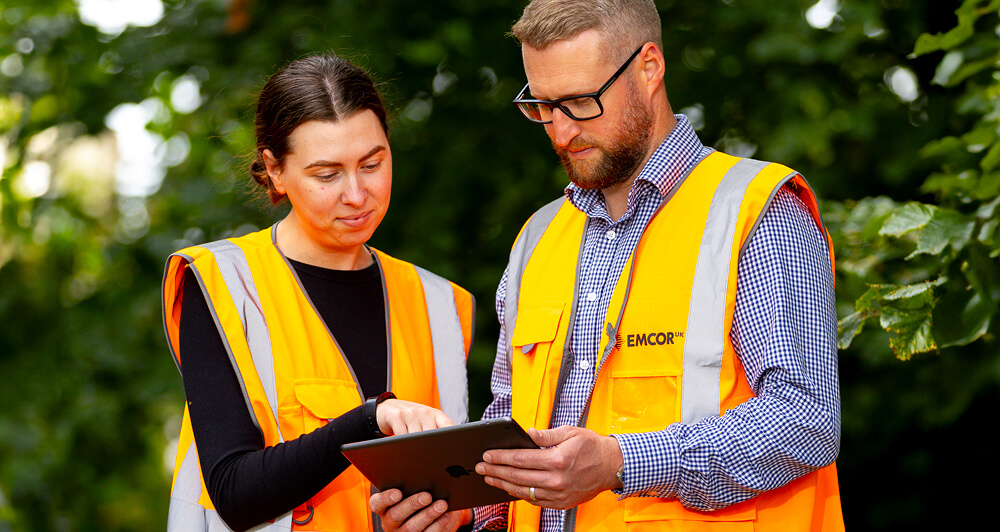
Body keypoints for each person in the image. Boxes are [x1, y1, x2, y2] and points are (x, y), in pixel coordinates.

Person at [372, 0, 843, 530]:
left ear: (649, 67)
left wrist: (621, 462)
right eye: (542, 106)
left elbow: (805, 418)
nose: (560, 130)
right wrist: (462, 513)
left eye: (579, 101)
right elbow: (512, 432)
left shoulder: (754, 210)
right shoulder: (537, 238)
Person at [161, 54, 476, 532]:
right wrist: (371, 421)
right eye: (327, 175)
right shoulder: (223, 284)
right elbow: (235, 491)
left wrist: (452, 517)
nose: (357, 194)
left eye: (373, 163)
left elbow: (457, 487)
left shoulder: (441, 304)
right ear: (275, 171)